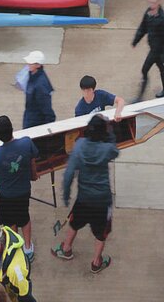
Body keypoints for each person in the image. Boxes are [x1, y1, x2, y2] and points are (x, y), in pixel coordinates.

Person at [51, 114, 119, 273]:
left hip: (83, 199)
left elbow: (68, 175)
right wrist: (110, 131)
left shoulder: (80, 145)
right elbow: (115, 150)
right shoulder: (107, 149)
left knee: (74, 223)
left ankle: (66, 249)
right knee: (101, 233)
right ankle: (96, 262)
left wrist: (66, 197)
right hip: (102, 200)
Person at [0, 115, 39, 262]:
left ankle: (16, 247)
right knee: (24, 218)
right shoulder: (26, 143)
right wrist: (34, 176)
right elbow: (33, 162)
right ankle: (27, 248)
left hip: (6, 195)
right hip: (23, 192)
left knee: (11, 221)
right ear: (12, 129)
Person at [132, 0, 164, 100]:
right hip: (153, 47)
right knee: (161, 68)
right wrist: (136, 40)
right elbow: (143, 27)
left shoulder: (163, 19)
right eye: (150, 2)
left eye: (153, 2)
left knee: (144, 70)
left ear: (159, 3)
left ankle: (139, 97)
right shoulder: (149, 13)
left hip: (156, 50)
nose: (151, 4)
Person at [22, 50, 56, 129]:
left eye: (31, 63)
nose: (28, 65)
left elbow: (47, 110)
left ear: (38, 65)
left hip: (35, 123)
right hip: (29, 117)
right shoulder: (32, 75)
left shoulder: (40, 85)